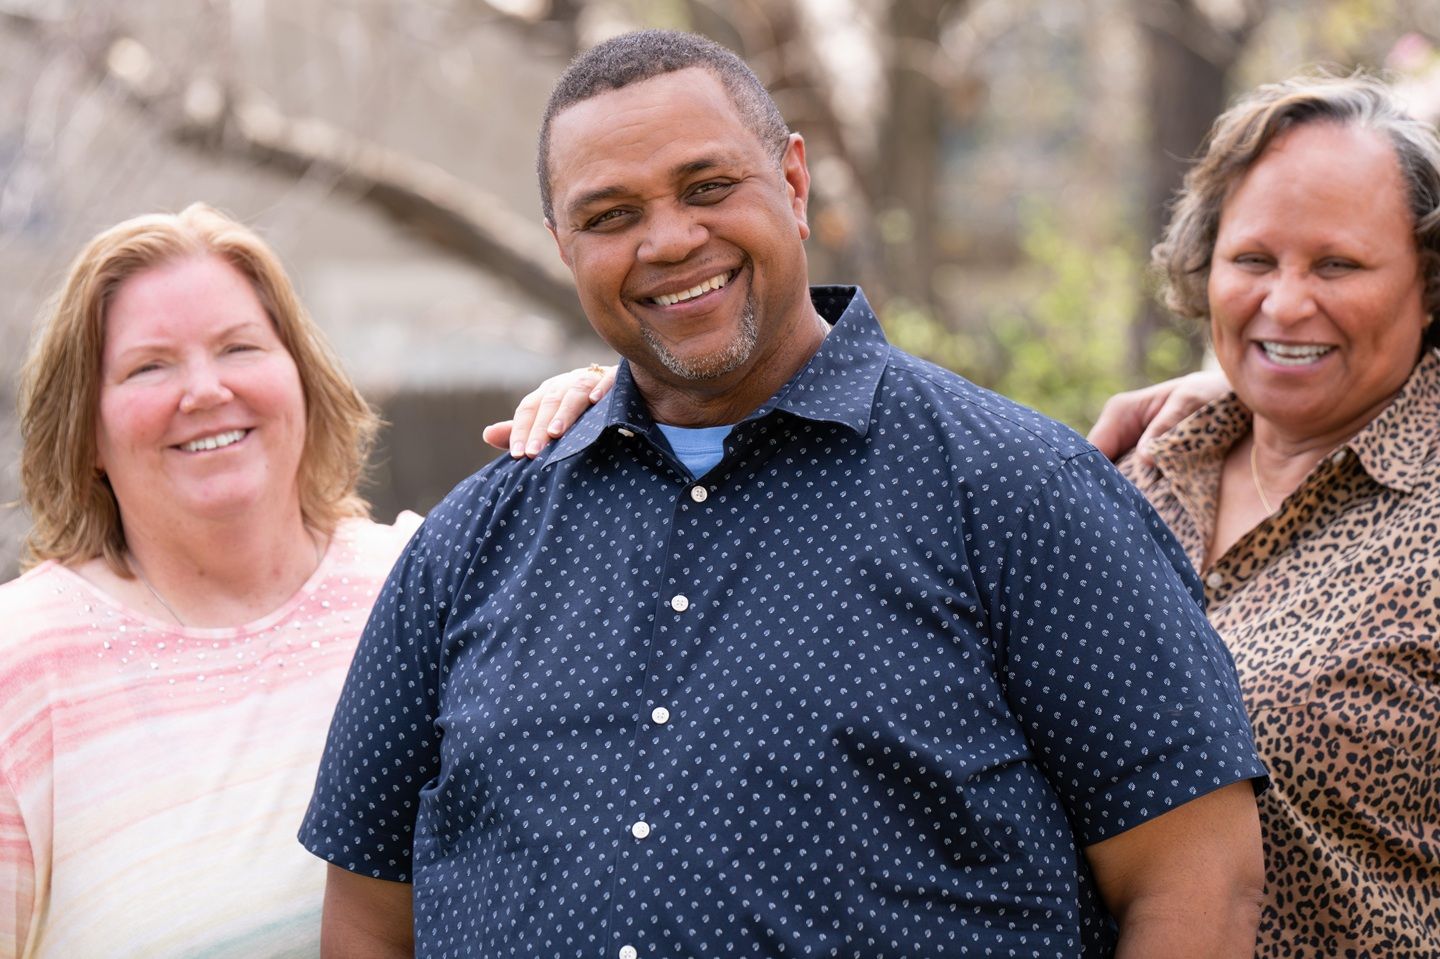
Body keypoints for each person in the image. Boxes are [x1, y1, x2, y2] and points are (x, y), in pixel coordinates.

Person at [302, 30, 1267, 959]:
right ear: (565, 246)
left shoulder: (1020, 490)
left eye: (709, 187)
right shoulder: (473, 540)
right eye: (611, 216)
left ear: (795, 182)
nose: (670, 239)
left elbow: (1197, 875)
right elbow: (372, 916)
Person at [0, 204, 420, 957]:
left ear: (300, 374)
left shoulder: (418, 588)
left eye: (239, 347)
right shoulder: (23, 661)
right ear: (87, 430)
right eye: (149, 365)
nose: (204, 390)